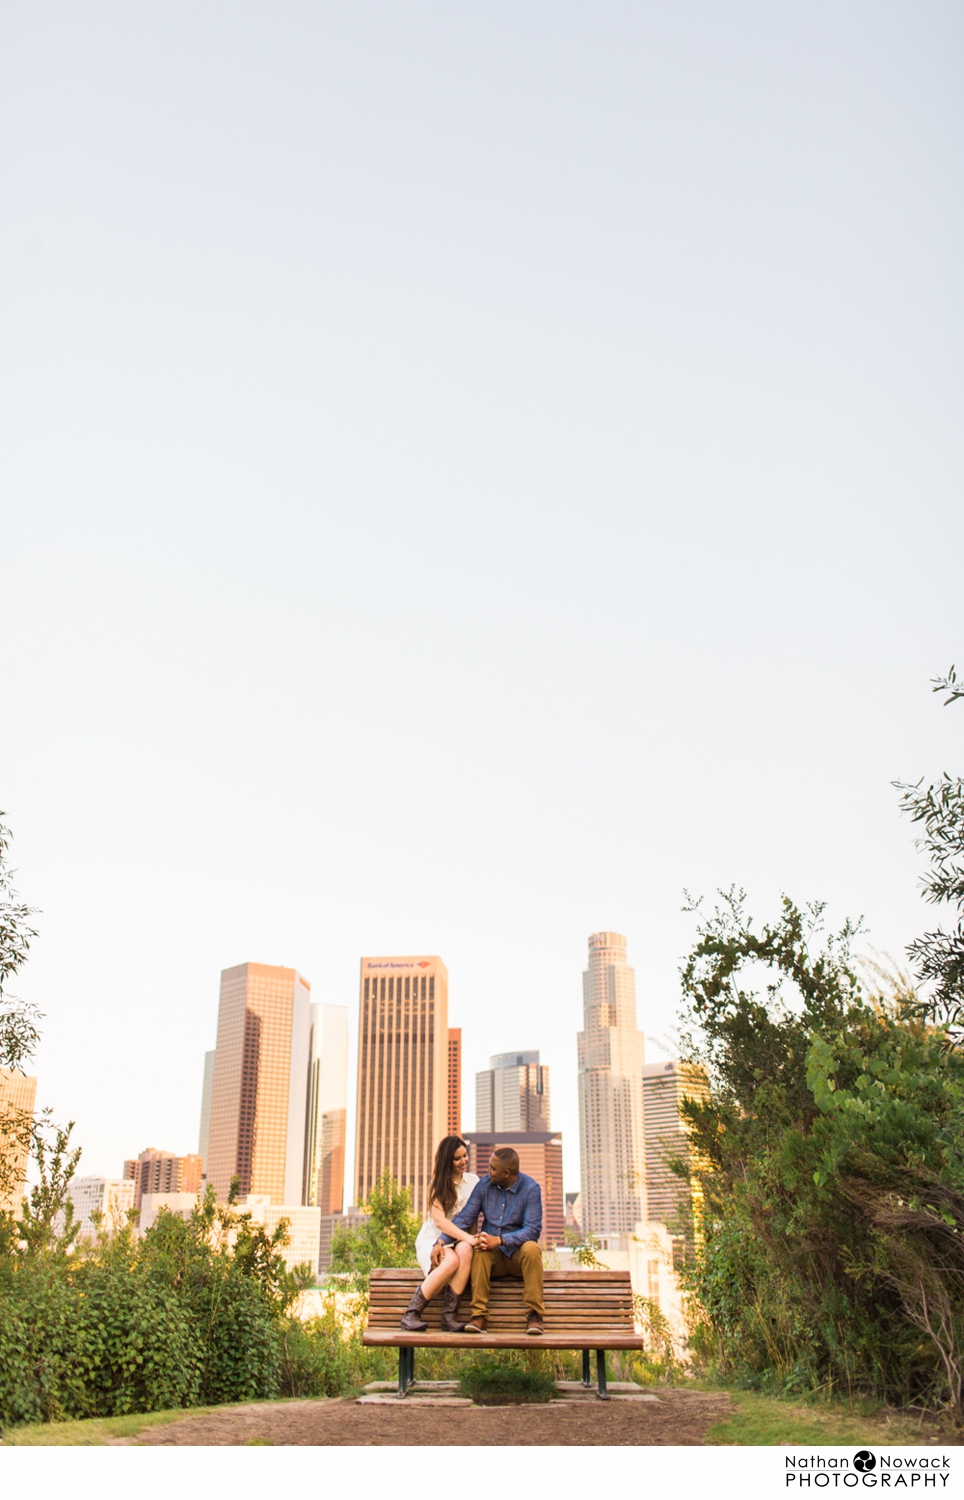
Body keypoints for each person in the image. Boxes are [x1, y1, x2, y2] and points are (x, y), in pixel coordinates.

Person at [441, 1146, 545, 1335]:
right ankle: (479, 1316)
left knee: (532, 1248)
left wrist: (502, 1240)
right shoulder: (485, 1185)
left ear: (506, 1173)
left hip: (518, 1256)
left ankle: (534, 1315)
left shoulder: (530, 1189)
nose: (488, 1171)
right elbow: (464, 1218)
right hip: (492, 1258)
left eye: (492, 1168)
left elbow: (533, 1230)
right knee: (480, 1247)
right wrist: (440, 1242)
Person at [401, 1135, 480, 1332]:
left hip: (460, 1239)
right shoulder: (436, 1186)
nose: (463, 1161)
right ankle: (411, 1313)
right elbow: (440, 1222)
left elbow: (474, 1217)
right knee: (451, 1261)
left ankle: (449, 1317)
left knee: (466, 1252)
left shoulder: (473, 1181)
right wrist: (468, 1238)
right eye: (457, 1158)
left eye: (465, 1156)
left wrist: (471, 1240)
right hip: (434, 1238)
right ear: (447, 1161)